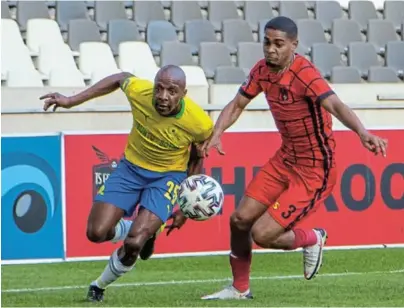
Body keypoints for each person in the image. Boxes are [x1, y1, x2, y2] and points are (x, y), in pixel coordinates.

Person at [200, 16, 388, 300]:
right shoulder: (261, 71)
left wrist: (363, 132)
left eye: (278, 44)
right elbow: (238, 103)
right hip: (285, 159)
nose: (271, 49)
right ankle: (240, 289)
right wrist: (217, 132)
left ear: (293, 45)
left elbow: (335, 104)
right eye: (267, 42)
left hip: (315, 169)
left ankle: (313, 238)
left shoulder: (304, 74)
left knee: (262, 235)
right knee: (239, 220)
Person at [40, 65, 213, 302]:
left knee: (134, 244)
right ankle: (139, 229)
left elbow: (197, 158)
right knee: (96, 232)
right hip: (130, 169)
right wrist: (71, 101)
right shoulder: (139, 91)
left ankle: (98, 285)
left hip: (167, 177)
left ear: (183, 94)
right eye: (159, 88)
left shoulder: (199, 123)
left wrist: (185, 206)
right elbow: (119, 78)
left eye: (172, 91)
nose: (163, 96)